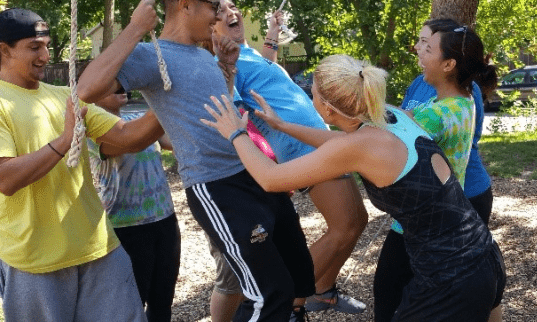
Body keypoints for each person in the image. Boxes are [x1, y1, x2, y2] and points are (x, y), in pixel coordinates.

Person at [77, 0, 316, 321]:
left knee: (298, 277)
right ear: (185, 5)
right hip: (219, 186)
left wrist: (228, 70)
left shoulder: (205, 54)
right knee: (270, 293)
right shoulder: (151, 55)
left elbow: (218, 109)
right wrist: (135, 28)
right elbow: (86, 89)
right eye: (213, 6)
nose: (221, 16)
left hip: (253, 171)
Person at [202, 53, 506, 321]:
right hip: (481, 253)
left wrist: (236, 134)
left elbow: (271, 178)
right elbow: (342, 143)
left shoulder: (360, 145)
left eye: (314, 93)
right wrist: (283, 126)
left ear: (328, 110)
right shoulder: (387, 116)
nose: (311, 97)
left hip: (452, 274)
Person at [0, 7, 164, 321]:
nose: (45, 55)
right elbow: (4, 178)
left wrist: (170, 103)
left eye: (46, 45)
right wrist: (63, 141)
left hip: (98, 248)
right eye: (34, 47)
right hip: (33, 260)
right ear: (4, 50)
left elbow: (128, 138)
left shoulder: (65, 96)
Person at [207, 0, 367, 322]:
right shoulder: (224, 64)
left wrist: (272, 34)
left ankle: (319, 291)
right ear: (209, 28)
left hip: (319, 142)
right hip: (302, 148)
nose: (232, 11)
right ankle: (293, 302)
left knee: (355, 221)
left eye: (232, 5)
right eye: (220, 11)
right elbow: (236, 105)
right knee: (346, 226)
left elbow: (265, 72)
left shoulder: (247, 54)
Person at [374, 19, 499, 321]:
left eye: (427, 47)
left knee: (389, 290)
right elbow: (409, 115)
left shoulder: (437, 115)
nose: (418, 50)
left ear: (448, 64)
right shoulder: (460, 99)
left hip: (423, 221)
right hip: (439, 216)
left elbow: (385, 139)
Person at [87, 89, 180, 322]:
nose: (120, 87)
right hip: (128, 227)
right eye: (110, 84)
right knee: (132, 303)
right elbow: (132, 143)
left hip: (165, 220)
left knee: (162, 301)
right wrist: (163, 100)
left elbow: (174, 141)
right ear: (92, 94)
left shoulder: (135, 121)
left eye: (122, 81)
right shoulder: (93, 132)